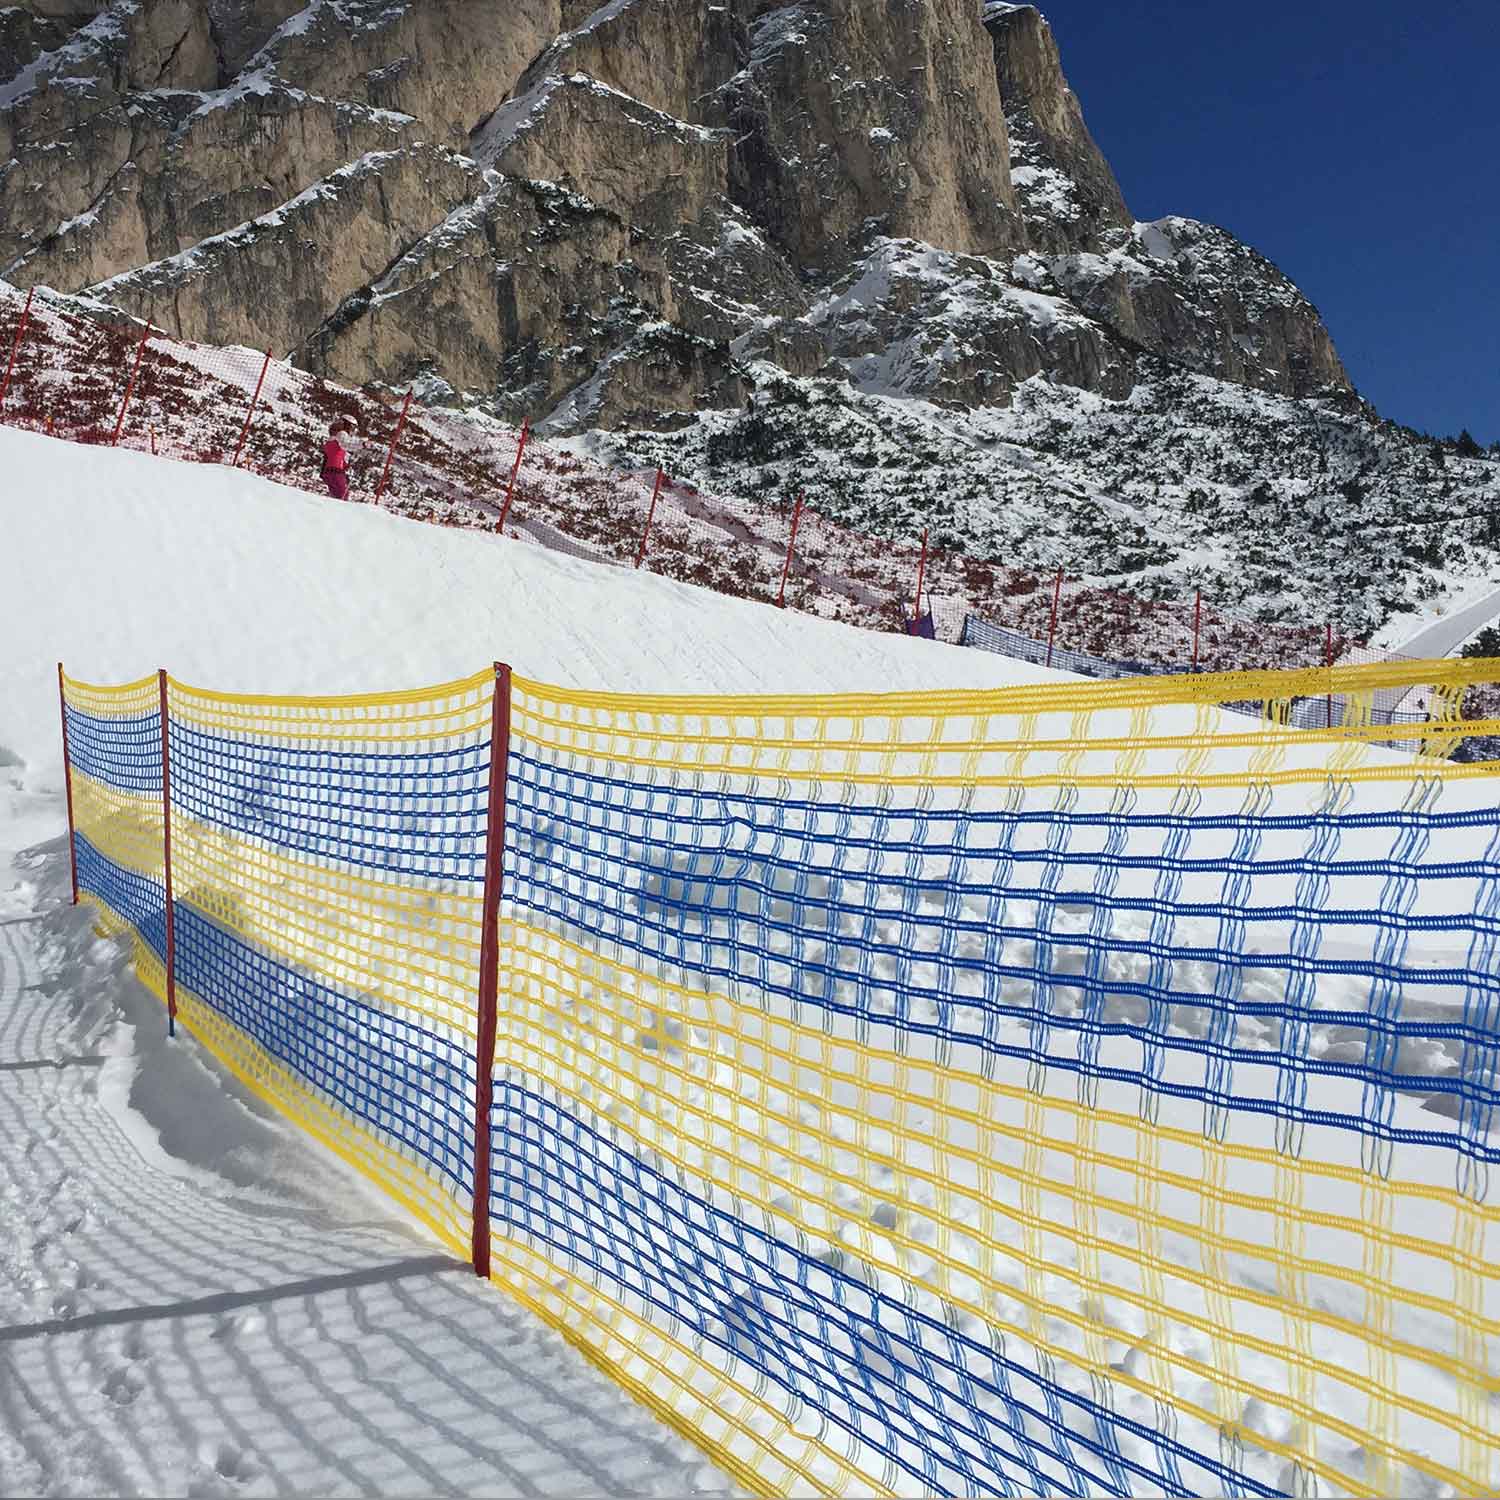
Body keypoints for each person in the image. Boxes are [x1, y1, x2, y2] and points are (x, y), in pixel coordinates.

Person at [321, 420, 353, 499]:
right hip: (336, 471)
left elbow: (332, 456)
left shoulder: (329, 443)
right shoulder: (338, 442)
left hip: (327, 471)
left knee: (335, 495)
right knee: (342, 495)